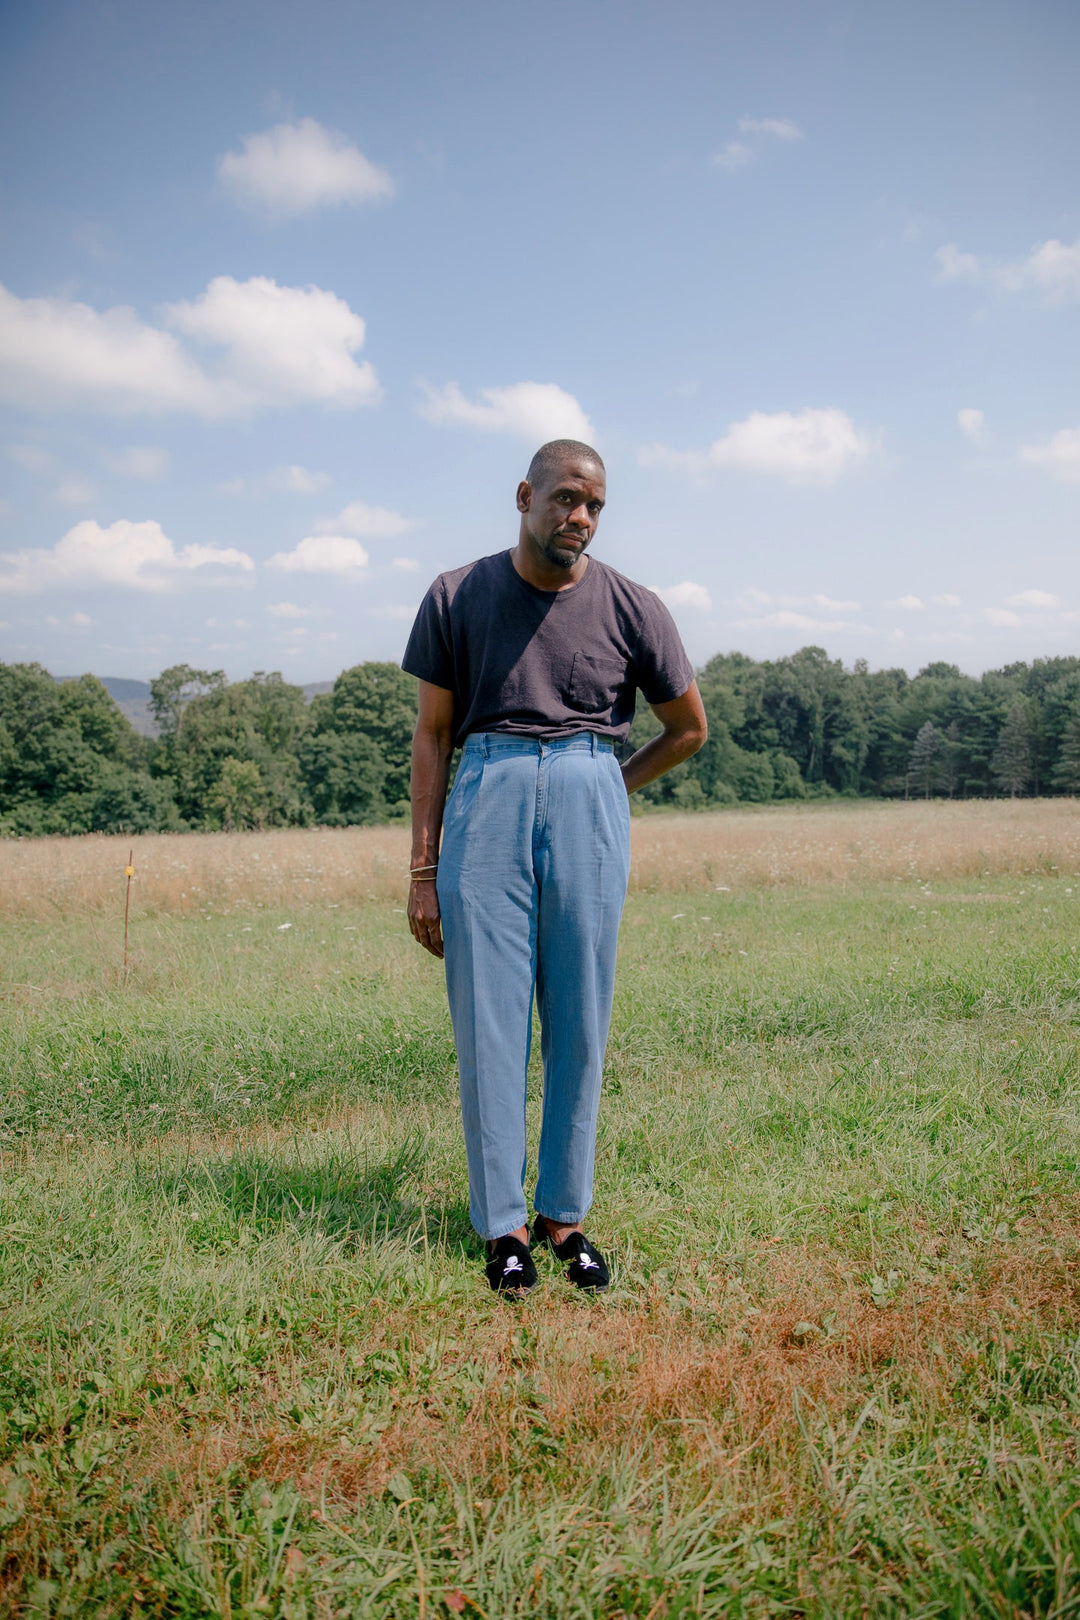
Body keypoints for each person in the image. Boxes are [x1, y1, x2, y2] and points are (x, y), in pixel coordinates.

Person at [402, 440, 706, 1294]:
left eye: (596, 506)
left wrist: (608, 780)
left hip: (587, 792)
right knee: (490, 1025)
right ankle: (502, 1228)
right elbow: (430, 735)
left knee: (579, 1019)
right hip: (487, 788)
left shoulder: (632, 605)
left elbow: (688, 728)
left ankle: (563, 1215)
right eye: (567, 499)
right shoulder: (456, 594)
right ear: (524, 495)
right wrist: (421, 871)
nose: (581, 518)